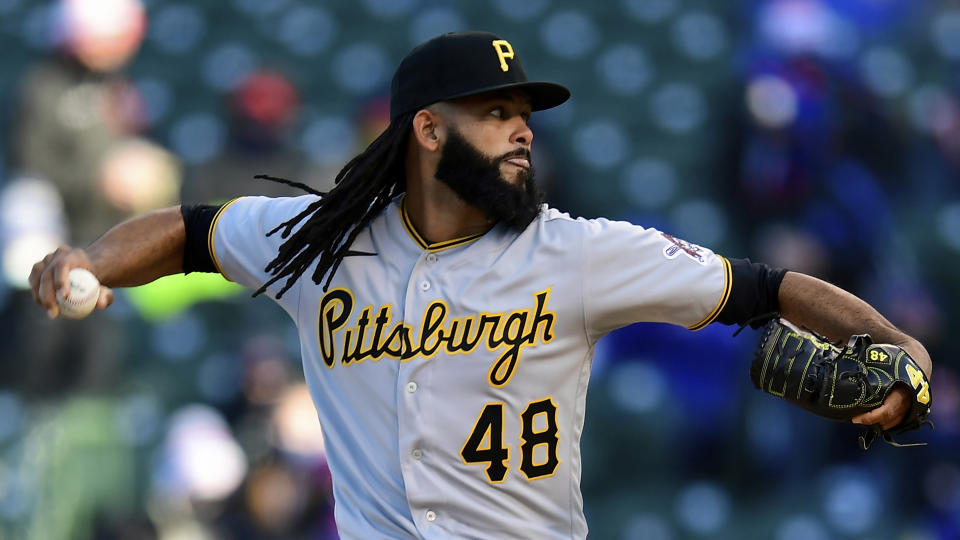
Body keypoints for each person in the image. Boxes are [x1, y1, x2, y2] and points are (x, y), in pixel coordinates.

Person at [30, 32, 933, 538]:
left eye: (524, 114)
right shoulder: (317, 241)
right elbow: (190, 232)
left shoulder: (578, 251)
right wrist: (89, 262)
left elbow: (765, 288)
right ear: (427, 130)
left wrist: (896, 345)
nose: (521, 131)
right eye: (494, 113)